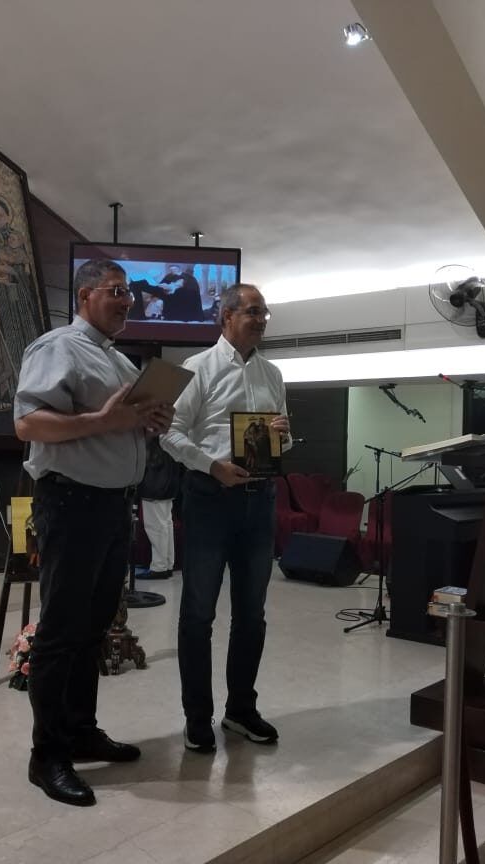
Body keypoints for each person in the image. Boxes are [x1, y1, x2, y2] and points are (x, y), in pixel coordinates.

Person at [13, 258, 173, 807]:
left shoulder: (118, 359)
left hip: (111, 506)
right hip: (71, 503)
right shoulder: (57, 347)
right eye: (116, 291)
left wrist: (147, 423)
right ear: (85, 295)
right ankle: (47, 756)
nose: (128, 301)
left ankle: (81, 731)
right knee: (60, 632)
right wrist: (104, 421)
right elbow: (27, 424)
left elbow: (117, 428)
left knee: (92, 628)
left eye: (130, 294)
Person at [161, 283, 291, 752]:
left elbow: (281, 439)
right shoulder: (196, 368)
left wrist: (283, 436)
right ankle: (197, 717)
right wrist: (212, 465)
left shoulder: (273, 374)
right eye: (252, 311)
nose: (260, 320)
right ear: (226, 317)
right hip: (210, 499)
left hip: (260, 500)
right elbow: (169, 434)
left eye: (264, 313)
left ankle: (240, 710)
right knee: (198, 614)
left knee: (251, 615)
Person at [138, 434, 181, 579]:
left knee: (156, 527)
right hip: (168, 481)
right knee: (166, 525)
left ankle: (159, 566)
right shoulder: (170, 431)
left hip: (155, 482)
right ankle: (167, 564)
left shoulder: (153, 435)